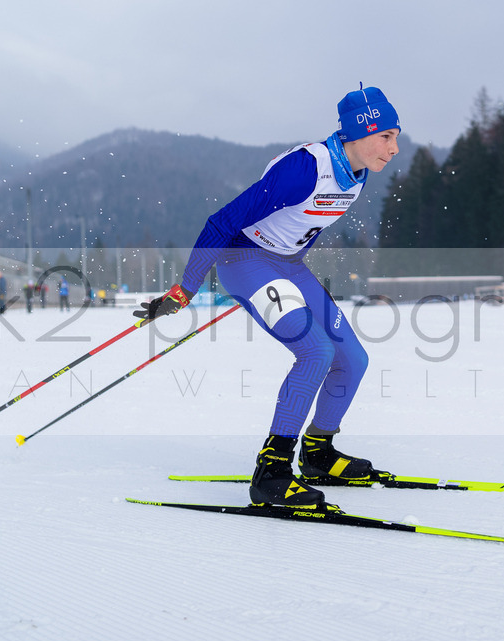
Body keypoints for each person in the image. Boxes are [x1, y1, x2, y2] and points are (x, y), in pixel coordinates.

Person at [135, 85, 400, 508]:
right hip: (246, 260)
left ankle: (318, 454)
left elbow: (304, 225)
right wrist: (186, 289)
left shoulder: (358, 175)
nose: (394, 148)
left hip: (288, 265)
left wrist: (289, 273)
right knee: (316, 352)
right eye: (386, 136)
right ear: (359, 132)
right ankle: (271, 473)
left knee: (353, 359)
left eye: (396, 137)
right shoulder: (305, 169)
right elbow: (221, 222)